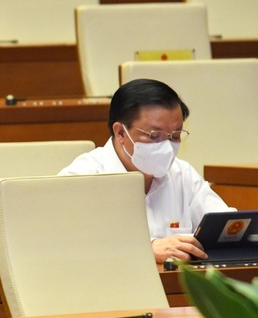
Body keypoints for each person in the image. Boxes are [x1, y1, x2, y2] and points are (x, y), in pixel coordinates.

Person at [59, 78, 233, 263]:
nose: (166, 146)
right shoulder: (81, 178)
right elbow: (66, 247)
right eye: (154, 135)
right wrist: (146, 249)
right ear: (120, 133)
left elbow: (225, 227)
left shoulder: (182, 174)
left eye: (175, 135)